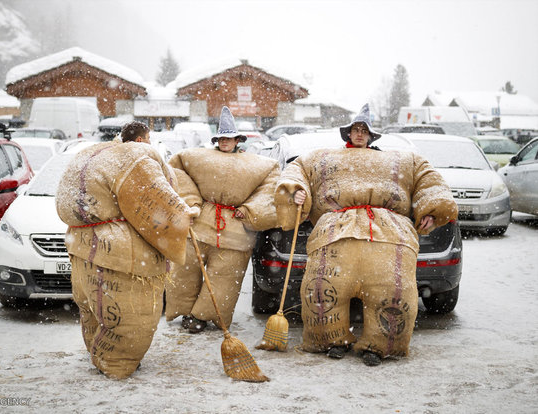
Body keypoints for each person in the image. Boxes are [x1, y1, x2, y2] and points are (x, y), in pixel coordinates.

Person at [274, 103, 458, 366]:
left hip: (388, 233)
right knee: (324, 290)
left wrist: (432, 209)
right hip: (336, 231)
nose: (359, 134)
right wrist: (297, 191)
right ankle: (331, 340)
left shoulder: (402, 160)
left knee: (392, 294)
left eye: (364, 131)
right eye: (355, 130)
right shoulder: (321, 159)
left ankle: (380, 346)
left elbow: (429, 180)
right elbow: (296, 172)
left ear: (371, 136)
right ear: (347, 134)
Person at [55, 121, 196, 379]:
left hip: (81, 246)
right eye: (149, 139)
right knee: (131, 315)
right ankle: (115, 362)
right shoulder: (136, 157)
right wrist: (183, 216)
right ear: (141, 140)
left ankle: (99, 355)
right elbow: (157, 200)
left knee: (91, 308)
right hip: (119, 252)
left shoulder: (92, 152)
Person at [165, 106, 280, 333]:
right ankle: (185, 310)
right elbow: (176, 169)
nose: (225, 142)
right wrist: (191, 202)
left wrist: (249, 210)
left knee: (224, 279)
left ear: (238, 140)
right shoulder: (196, 157)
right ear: (216, 140)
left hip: (235, 232)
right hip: (200, 224)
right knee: (185, 271)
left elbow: (270, 189)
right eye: (221, 138)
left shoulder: (259, 164)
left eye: (229, 138)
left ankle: (202, 316)